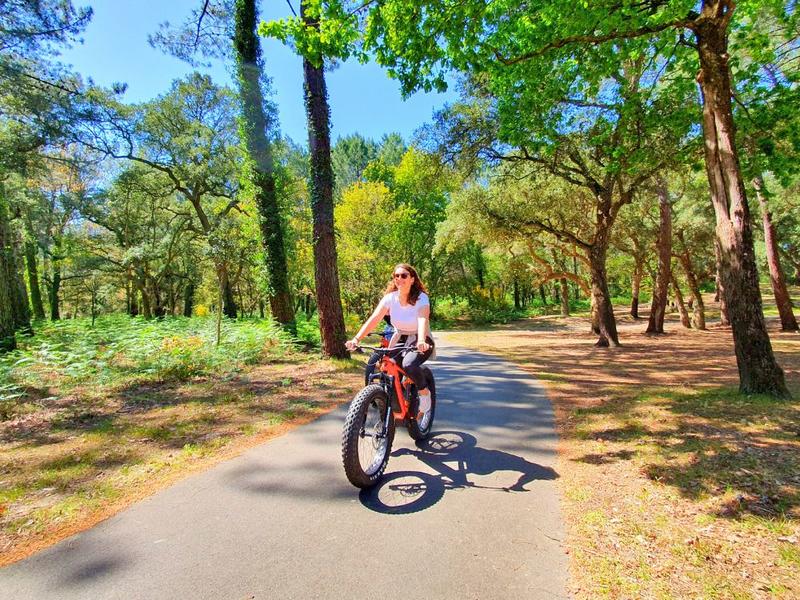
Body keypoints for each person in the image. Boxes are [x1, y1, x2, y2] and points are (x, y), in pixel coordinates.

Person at [346, 263, 435, 420]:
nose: (399, 279)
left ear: (412, 279)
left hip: (420, 338)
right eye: (396, 276)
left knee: (408, 364)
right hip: (399, 337)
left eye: (404, 275)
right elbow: (374, 319)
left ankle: (424, 392)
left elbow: (422, 319)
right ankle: (393, 401)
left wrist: (421, 340)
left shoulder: (421, 297)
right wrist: (356, 339)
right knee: (387, 365)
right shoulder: (390, 298)